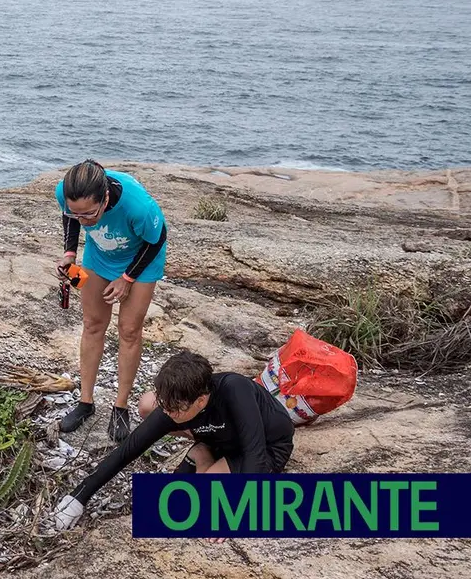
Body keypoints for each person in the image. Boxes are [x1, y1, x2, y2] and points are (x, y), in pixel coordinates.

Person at [53, 350, 295, 530]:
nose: (169, 414)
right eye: (165, 406)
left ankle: (205, 463)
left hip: (266, 445)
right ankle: (204, 454)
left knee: (205, 505)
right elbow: (130, 448)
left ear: (201, 400)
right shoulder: (174, 405)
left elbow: (255, 451)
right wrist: (78, 496)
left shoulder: (235, 390)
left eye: (176, 410)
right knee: (170, 500)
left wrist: (238, 512)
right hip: (218, 439)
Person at [55, 160, 168, 442]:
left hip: (141, 259)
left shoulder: (137, 206)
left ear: (105, 198)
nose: (84, 220)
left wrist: (128, 279)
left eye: (91, 214)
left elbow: (157, 239)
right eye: (77, 213)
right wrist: (70, 254)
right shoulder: (65, 194)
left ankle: (120, 407)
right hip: (100, 254)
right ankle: (85, 402)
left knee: (129, 330)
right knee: (93, 324)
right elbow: (70, 218)